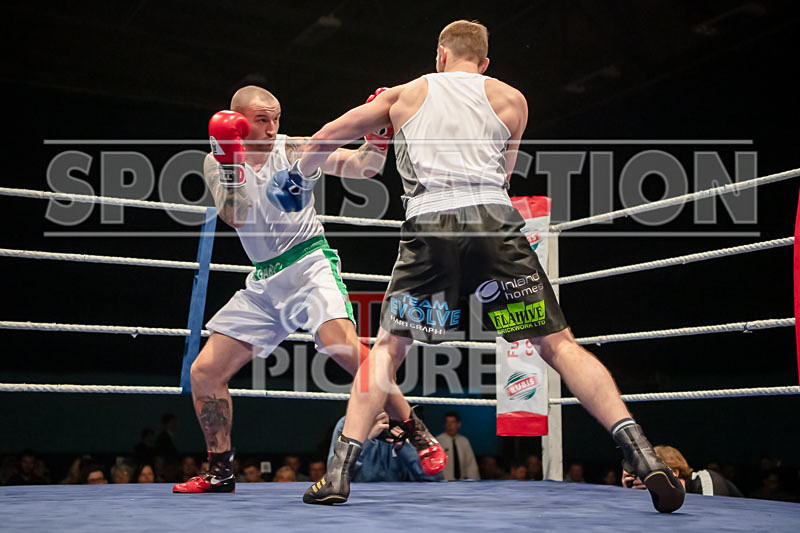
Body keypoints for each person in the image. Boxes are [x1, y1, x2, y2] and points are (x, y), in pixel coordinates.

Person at [283, 19, 685, 512]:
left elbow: (328, 135)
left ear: (440, 55)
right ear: (485, 62)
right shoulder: (513, 100)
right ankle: (643, 455)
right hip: (494, 222)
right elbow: (505, 175)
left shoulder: (408, 94)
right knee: (557, 345)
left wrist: (296, 172)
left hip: (431, 226)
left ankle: (339, 474)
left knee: (388, 350)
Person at [173, 85, 444, 495]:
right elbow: (235, 215)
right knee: (205, 372)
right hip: (265, 280)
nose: (271, 127)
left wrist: (379, 136)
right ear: (240, 120)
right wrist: (231, 163)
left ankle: (414, 427)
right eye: (261, 120)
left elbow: (363, 167)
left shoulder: (293, 148)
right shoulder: (217, 160)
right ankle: (220, 471)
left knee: (346, 349)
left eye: (275, 118)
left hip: (309, 263)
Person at [319, 412, 442, 484]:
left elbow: (433, 477)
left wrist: (403, 447)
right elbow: (334, 476)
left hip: (400, 503)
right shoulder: (348, 424)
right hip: (356, 500)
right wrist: (368, 440)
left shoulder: (406, 422)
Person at [623, 445, 742, 497]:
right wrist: (630, 494)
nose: (648, 479)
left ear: (674, 472)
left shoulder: (705, 478)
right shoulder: (667, 500)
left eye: (651, 473)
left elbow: (713, 519)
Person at [436, 411, 479, 481]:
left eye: (452, 422)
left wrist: (473, 482)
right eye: (447, 422)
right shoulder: (438, 441)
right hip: (443, 483)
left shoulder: (464, 441)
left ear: (458, 424)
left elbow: (470, 465)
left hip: (461, 483)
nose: (450, 425)